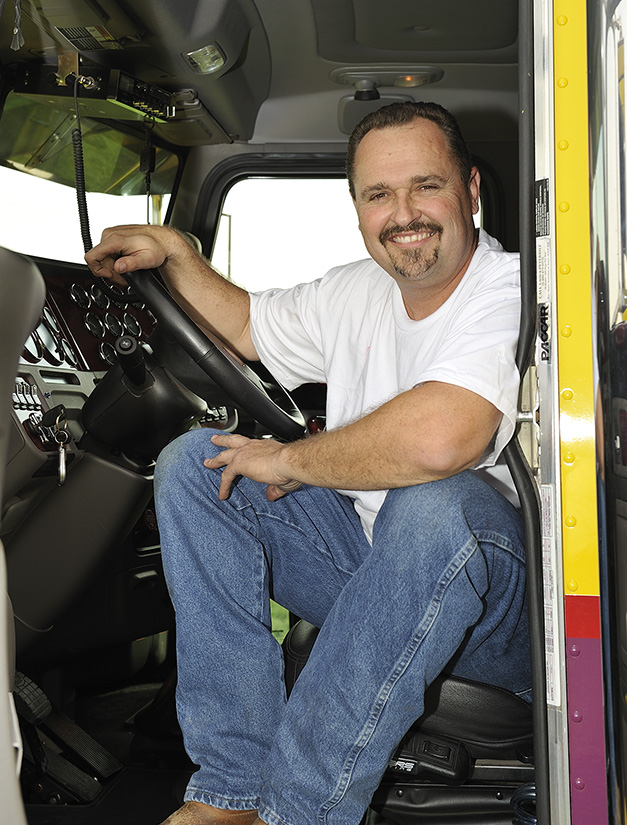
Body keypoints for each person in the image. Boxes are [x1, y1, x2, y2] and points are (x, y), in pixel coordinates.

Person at [85, 101, 530, 825]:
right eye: (378, 194)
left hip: (495, 602)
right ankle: (231, 791)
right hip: (378, 562)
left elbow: (441, 440)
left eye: (426, 186)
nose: (403, 214)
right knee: (200, 464)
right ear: (356, 208)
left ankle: (295, 813)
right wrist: (180, 254)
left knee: (434, 500)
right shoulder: (358, 290)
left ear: (471, 190)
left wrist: (292, 459)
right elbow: (247, 325)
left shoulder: (511, 289)